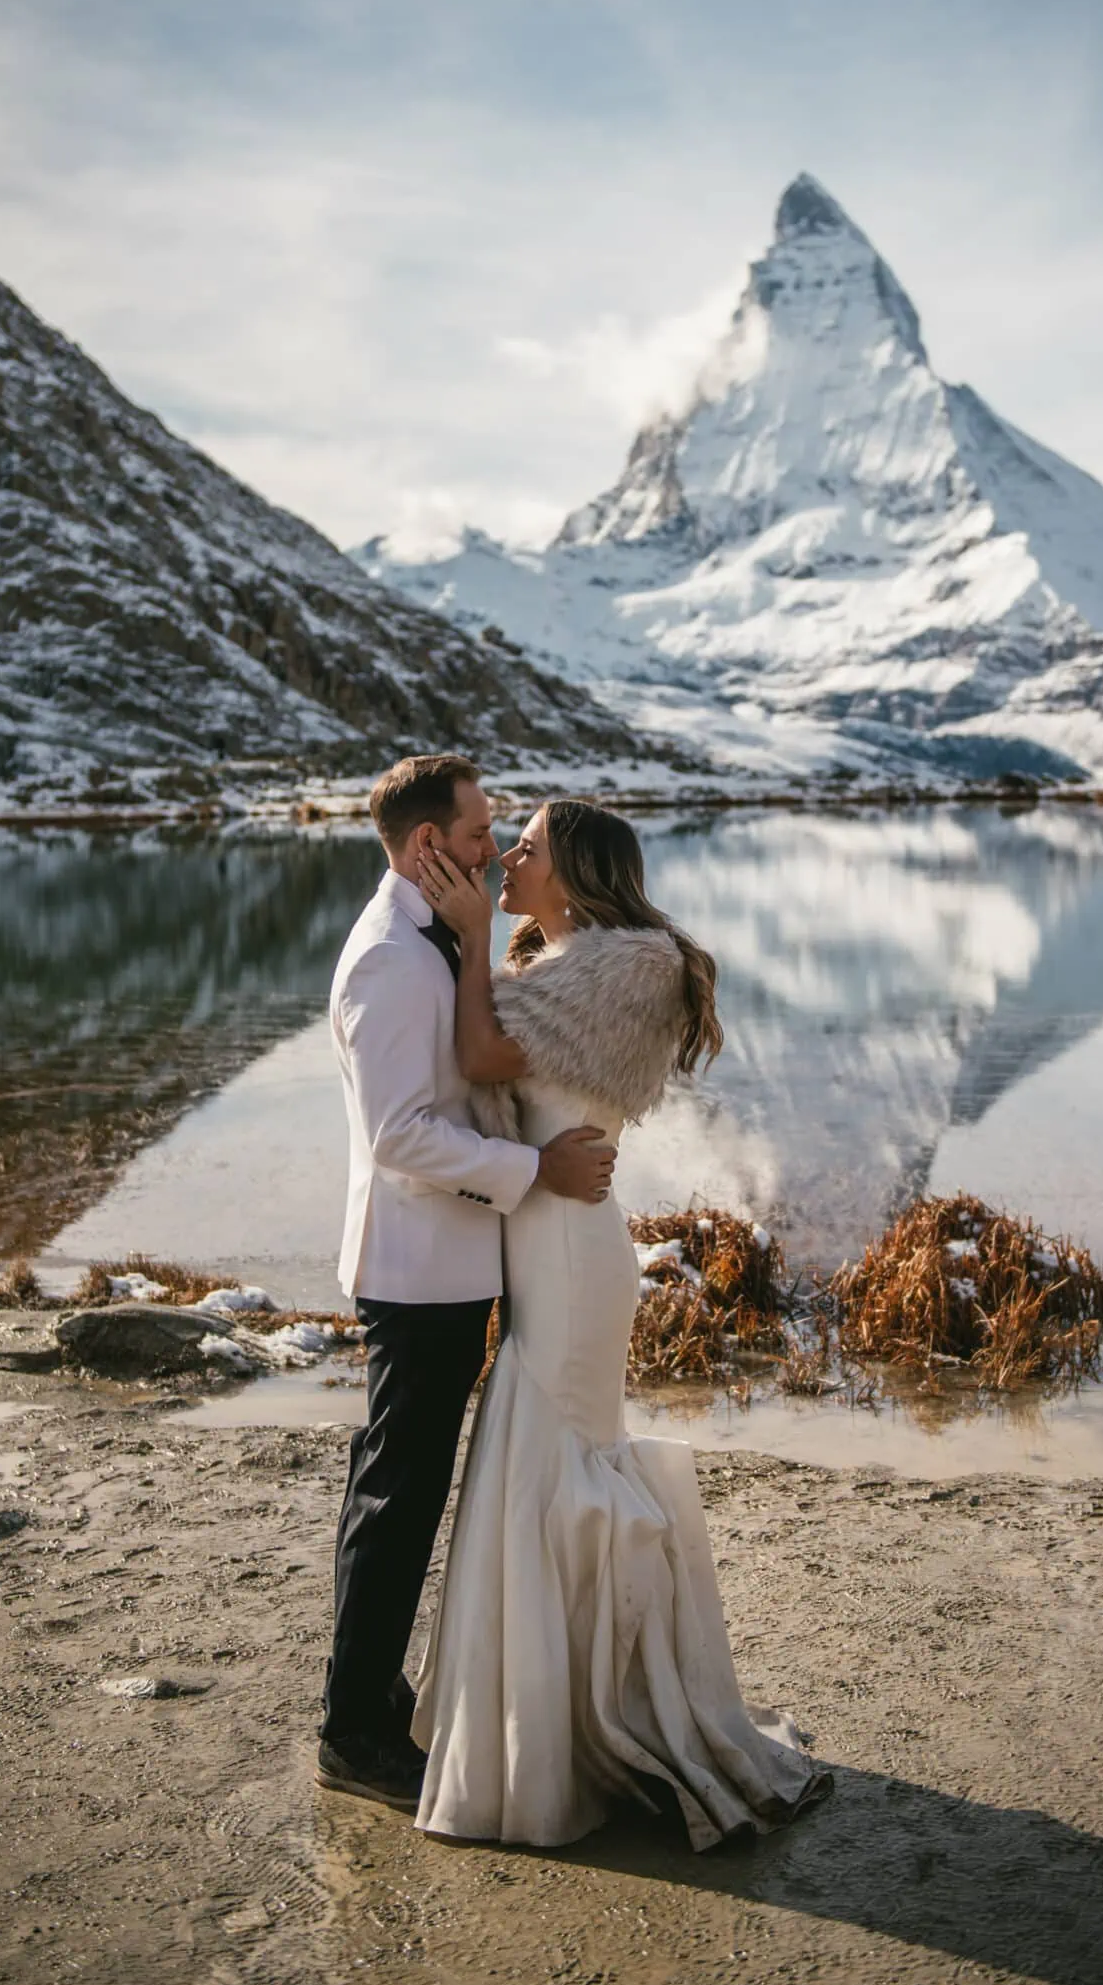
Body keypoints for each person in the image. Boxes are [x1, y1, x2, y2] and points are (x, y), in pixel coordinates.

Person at [409, 796, 830, 1849]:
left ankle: (591, 1725)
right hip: (552, 1234)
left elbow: (486, 1056)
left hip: (570, 1249)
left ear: (581, 868)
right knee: (544, 1454)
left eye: (530, 846)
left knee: (549, 1454)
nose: (508, 855)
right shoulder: (561, 962)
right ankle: (554, 1716)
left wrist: (465, 944)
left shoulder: (622, 962)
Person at [319, 755, 618, 1811]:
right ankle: (352, 1730)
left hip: (449, 1260)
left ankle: (367, 1695)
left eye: (497, 830)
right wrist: (533, 1170)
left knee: (400, 1489)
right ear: (422, 846)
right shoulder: (389, 961)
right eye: (480, 829)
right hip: (416, 1271)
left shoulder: (430, 936)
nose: (492, 849)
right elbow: (402, 1135)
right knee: (398, 1497)